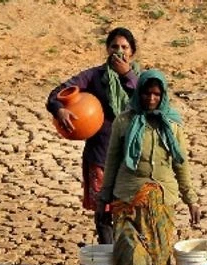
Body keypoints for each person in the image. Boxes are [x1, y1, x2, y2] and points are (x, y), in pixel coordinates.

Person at [98, 69, 201, 265]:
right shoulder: (125, 121)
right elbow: (112, 162)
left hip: (161, 204)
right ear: (139, 92)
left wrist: (191, 200)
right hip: (127, 201)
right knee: (132, 257)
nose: (151, 98)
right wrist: (103, 198)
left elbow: (181, 165)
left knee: (157, 263)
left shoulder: (172, 125)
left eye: (157, 94)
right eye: (147, 92)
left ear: (163, 95)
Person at [47, 27, 140, 244]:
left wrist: (127, 75)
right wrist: (59, 109)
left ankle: (127, 259)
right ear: (107, 49)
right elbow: (56, 93)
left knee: (129, 213)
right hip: (100, 156)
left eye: (124, 47)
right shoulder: (94, 77)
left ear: (132, 52)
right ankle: (109, 261)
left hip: (131, 159)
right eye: (114, 46)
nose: (119, 51)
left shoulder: (140, 80)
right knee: (103, 213)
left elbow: (151, 101)